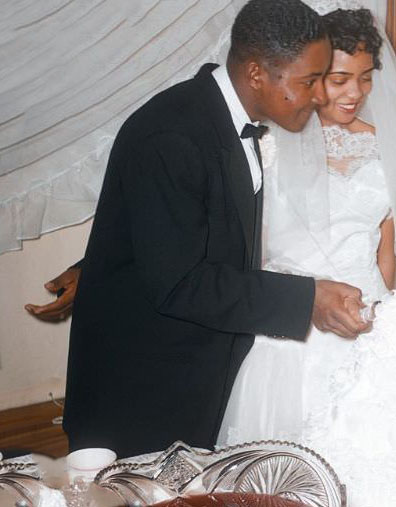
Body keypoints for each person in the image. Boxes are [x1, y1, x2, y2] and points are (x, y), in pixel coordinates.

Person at [59, 0, 369, 458]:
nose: (320, 96)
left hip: (197, 370)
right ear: (257, 73)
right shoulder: (173, 134)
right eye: (309, 81)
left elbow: (182, 228)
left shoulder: (222, 120)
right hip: (142, 389)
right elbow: (180, 281)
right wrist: (307, 298)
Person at [216, 6, 396, 445]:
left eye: (366, 77)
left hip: (365, 321)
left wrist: (382, 324)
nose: (355, 92)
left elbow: (386, 252)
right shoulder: (267, 145)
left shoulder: (385, 146)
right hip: (290, 330)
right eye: (340, 80)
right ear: (313, 77)